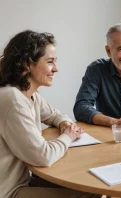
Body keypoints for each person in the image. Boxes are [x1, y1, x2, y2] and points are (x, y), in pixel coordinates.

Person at [0, 30, 101, 198]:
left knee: (89, 185)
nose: (56, 69)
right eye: (50, 62)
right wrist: (68, 136)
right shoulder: (13, 100)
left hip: (24, 179)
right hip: (9, 191)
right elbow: (43, 156)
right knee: (91, 193)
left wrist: (65, 124)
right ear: (27, 64)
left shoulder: (29, 94)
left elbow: (55, 115)